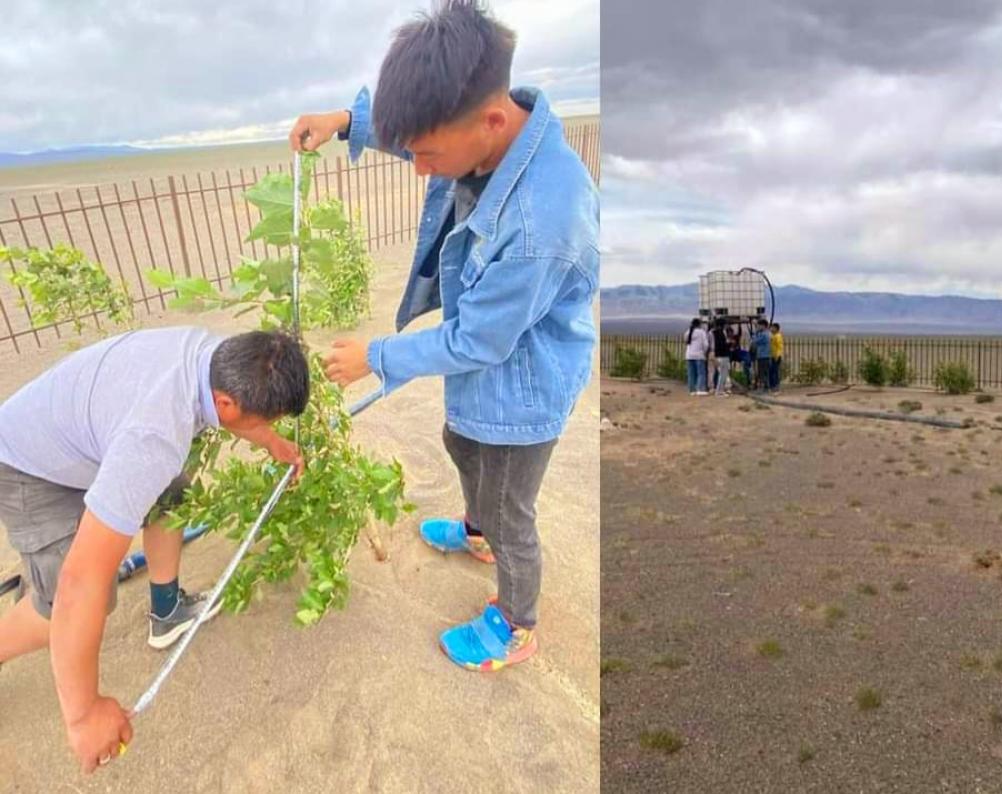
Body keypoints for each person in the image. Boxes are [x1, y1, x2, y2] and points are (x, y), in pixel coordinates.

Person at [296, 0, 598, 671]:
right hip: (489, 360)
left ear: (489, 123)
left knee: (513, 507)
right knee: (459, 439)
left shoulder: (540, 223)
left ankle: (516, 624)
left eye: (427, 155)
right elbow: (418, 134)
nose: (420, 168)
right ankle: (476, 531)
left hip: (525, 384)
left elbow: (477, 344)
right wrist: (345, 121)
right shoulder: (479, 130)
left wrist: (375, 357)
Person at [0, 327, 308, 773]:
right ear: (227, 404)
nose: (268, 428)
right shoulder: (153, 439)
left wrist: (272, 443)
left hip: (80, 436)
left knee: (173, 496)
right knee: (71, 601)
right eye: (268, 421)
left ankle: (167, 611)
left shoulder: (215, 355)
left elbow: (238, 410)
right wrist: (84, 714)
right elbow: (79, 580)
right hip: (27, 466)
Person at [685, 318, 710, 395]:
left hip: (689, 355)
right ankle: (700, 389)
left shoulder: (688, 332)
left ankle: (691, 390)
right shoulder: (701, 332)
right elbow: (705, 344)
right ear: (699, 324)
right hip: (699, 355)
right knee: (701, 373)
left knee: (691, 373)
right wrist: (704, 352)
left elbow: (686, 341)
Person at [711, 319, 732, 396]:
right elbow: (722, 345)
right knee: (723, 374)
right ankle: (719, 391)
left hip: (719, 355)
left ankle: (720, 390)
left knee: (722, 374)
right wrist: (729, 344)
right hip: (723, 355)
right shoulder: (720, 333)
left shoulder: (714, 332)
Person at [753, 319, 772, 392]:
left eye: (759, 325)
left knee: (762, 373)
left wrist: (756, 332)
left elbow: (755, 341)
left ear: (763, 326)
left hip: (763, 356)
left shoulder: (764, 334)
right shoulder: (767, 333)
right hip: (765, 355)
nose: (758, 327)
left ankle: (765, 389)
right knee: (765, 372)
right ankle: (766, 388)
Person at [769, 322, 784, 393]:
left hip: (776, 357)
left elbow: (779, 347)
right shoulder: (773, 336)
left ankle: (776, 387)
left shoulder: (777, 336)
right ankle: (772, 386)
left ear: (776, 328)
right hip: (773, 356)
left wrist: (777, 355)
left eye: (772, 327)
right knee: (772, 372)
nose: (771, 329)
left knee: (775, 372)